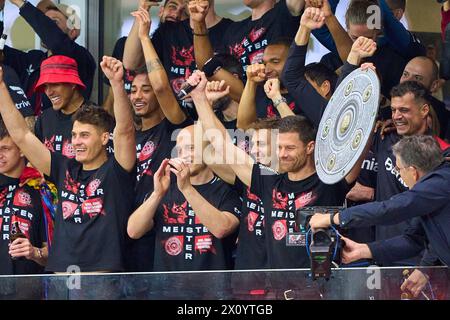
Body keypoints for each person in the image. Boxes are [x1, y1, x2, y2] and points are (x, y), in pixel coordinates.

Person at [188, 70, 367, 270]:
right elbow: (221, 143)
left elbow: (359, 142)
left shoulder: (329, 181)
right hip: (278, 288)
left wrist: (368, 90)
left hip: (320, 287)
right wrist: (199, 97)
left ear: (310, 147)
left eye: (290, 148)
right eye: (279, 147)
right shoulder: (267, 181)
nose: (282, 154)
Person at [0, 56, 136, 273]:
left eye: (84, 135)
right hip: (60, 280)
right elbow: (22, 135)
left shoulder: (115, 172)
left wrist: (118, 85)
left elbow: (126, 131)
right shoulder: (64, 168)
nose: (76, 142)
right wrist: (0, 87)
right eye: (74, 135)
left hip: (101, 283)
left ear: (103, 139)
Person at [310, 135, 450, 298]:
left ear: (413, 171)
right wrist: (364, 251)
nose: (399, 173)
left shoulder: (442, 182)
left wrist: (333, 218)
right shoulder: (433, 193)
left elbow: (390, 209)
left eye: (399, 169)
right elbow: (413, 240)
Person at [126, 7, 193, 272]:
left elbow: (164, 87)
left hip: (163, 231)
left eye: (146, 90)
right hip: (128, 228)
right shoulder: (126, 135)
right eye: (134, 90)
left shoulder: (174, 128)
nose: (138, 96)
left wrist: (145, 37)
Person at [127, 124, 241, 271]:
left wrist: (187, 188)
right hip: (167, 291)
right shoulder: (166, 189)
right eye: (180, 150)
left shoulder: (226, 190)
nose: (184, 155)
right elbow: (133, 231)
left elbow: (221, 229)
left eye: (191, 148)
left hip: (212, 291)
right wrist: (157, 194)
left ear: (209, 151)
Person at [3, 0, 96, 115]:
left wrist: (20, 3)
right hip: (26, 130)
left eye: (53, 22)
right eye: (44, 20)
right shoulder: (34, 58)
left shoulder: (81, 57)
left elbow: (57, 41)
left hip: (68, 130)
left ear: (73, 31)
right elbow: (4, 55)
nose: (44, 27)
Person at [33, 55, 113, 159]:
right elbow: (35, 161)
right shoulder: (44, 119)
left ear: (72, 84)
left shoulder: (97, 117)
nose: (49, 92)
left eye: (55, 84)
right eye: (46, 86)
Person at [0, 120, 49, 276]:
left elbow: (56, 254)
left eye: (5, 149)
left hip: (27, 289)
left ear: (22, 149)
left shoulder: (43, 191)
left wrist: (34, 252)